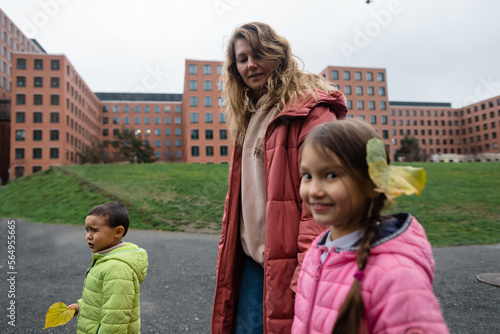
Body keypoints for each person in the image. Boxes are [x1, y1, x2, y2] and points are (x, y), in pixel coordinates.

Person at [211, 22, 348, 333]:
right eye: (242, 59)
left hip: (292, 265)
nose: (251, 65)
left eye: (259, 54)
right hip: (251, 262)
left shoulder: (310, 110)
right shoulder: (246, 114)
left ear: (279, 54)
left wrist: (308, 270)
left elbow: (323, 200)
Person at [292, 119, 449, 334]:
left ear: (372, 183)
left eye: (330, 175)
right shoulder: (317, 252)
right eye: (307, 176)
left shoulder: (397, 277)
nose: (314, 191)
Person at [68, 202, 148, 334]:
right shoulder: (104, 259)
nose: (88, 235)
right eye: (87, 230)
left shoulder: (117, 268)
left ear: (118, 232)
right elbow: (101, 298)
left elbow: (116, 319)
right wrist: (81, 306)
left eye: (94, 230)